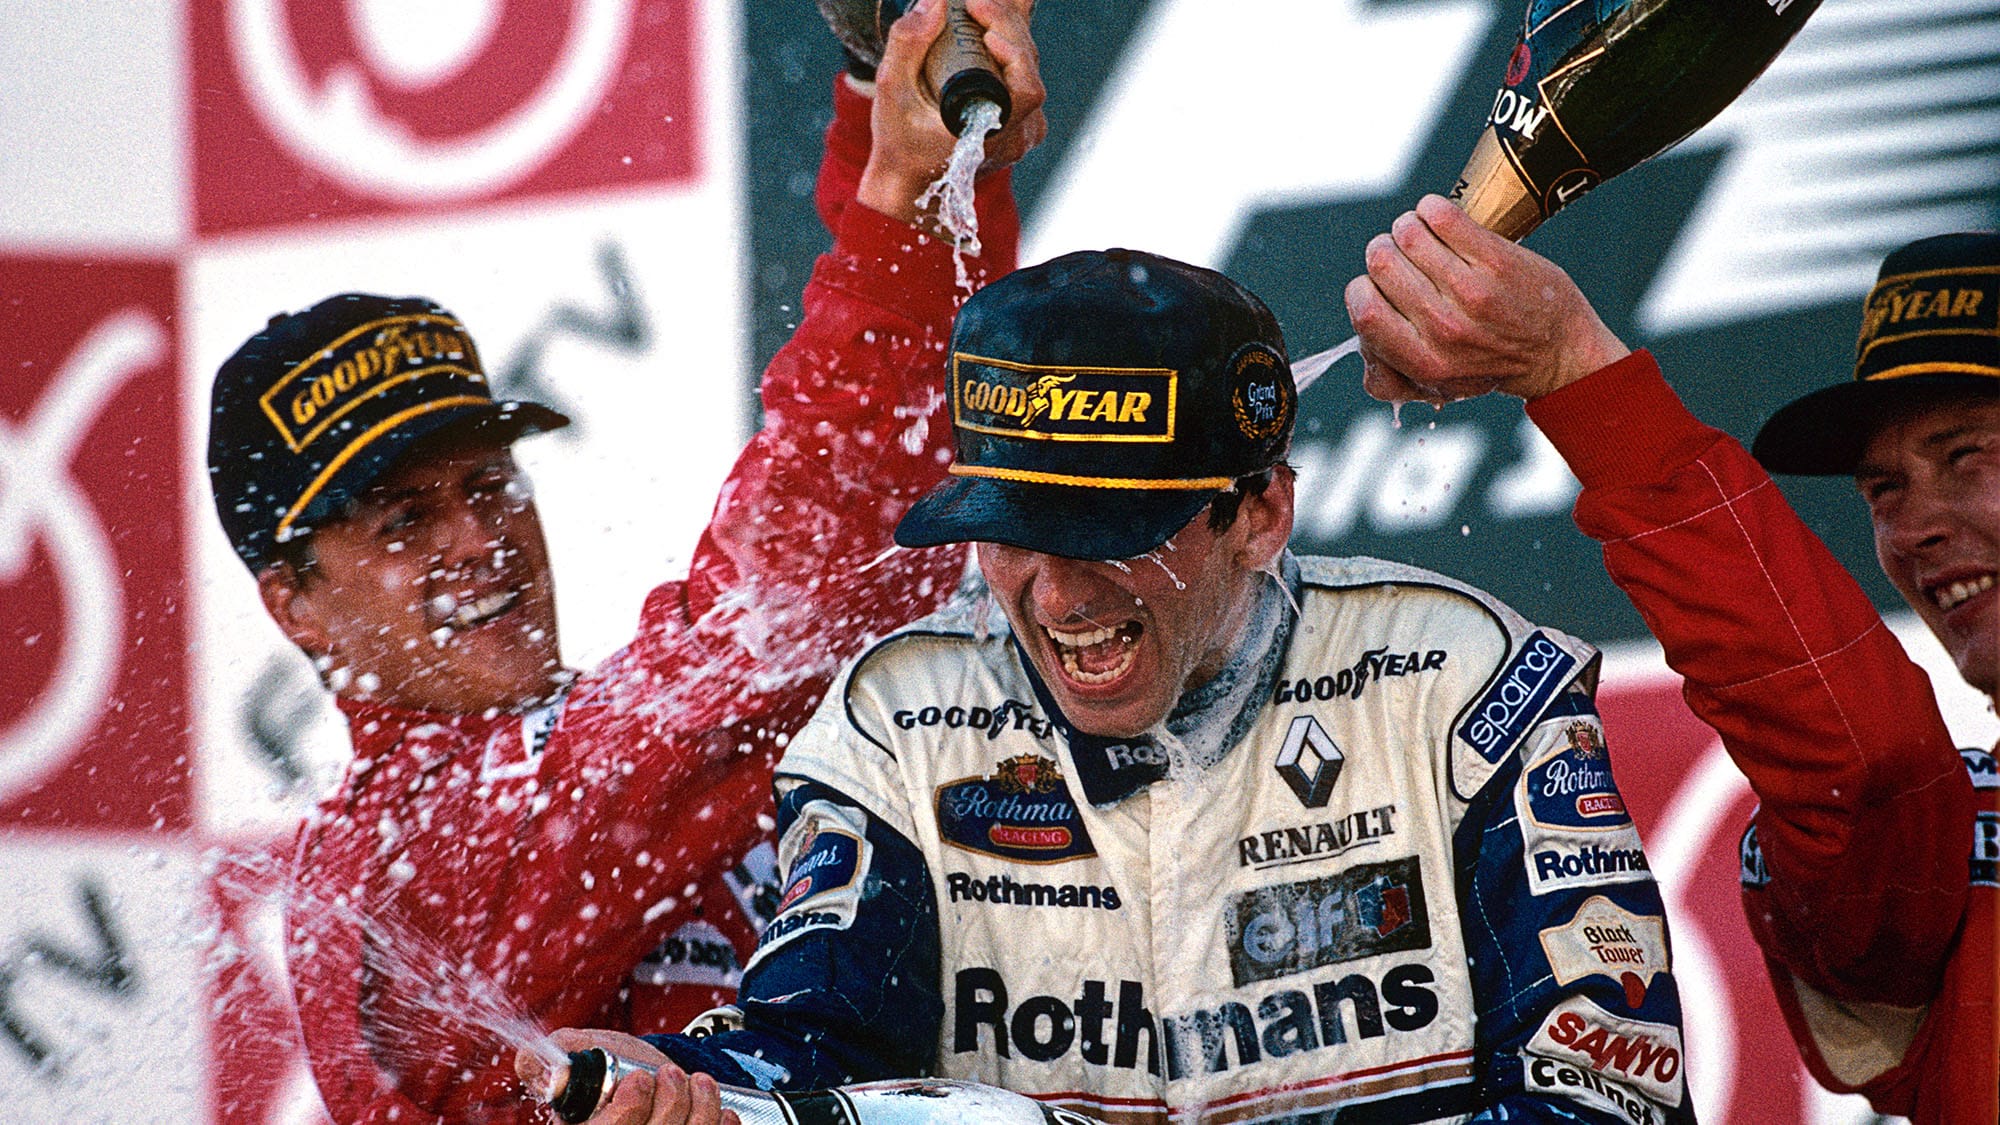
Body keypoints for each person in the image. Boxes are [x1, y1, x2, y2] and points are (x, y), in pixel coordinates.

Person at [526, 247, 1697, 1125]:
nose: (1053, 594)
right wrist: (687, 1091)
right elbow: (811, 1051)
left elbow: (1607, 1097)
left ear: (1258, 514)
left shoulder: (1459, 686)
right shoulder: (898, 724)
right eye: (1006, 533)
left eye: (1104, 530)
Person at [204, 0, 1046, 1118]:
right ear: (296, 607)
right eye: (401, 524)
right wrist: (895, 205)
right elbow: (785, 612)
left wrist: (893, 105)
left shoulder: (610, 752)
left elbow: (900, 494)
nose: (474, 539)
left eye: (487, 486)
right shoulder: (386, 882)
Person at [1344, 202, 1995, 1124]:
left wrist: (1577, 368)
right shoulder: (1958, 845)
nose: (1914, 527)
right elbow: (1865, 764)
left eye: (1967, 456)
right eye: (1883, 490)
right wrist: (1575, 375)